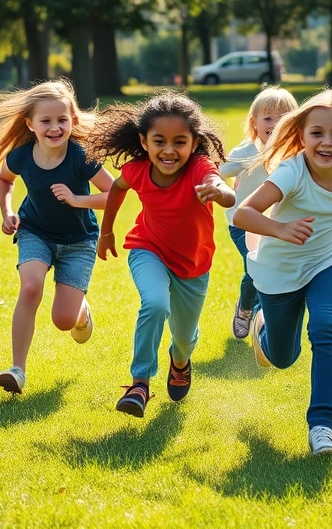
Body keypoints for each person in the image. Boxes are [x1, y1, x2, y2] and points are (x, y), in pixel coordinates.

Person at [233, 88, 332, 455]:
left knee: (325, 324)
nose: (326, 142)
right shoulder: (292, 172)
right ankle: (262, 326)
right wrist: (280, 229)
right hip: (281, 270)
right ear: (301, 135)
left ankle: (322, 426)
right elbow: (244, 214)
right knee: (283, 358)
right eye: (317, 133)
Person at [87, 91, 235, 418]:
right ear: (144, 141)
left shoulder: (200, 167)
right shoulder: (138, 170)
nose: (169, 150)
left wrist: (220, 191)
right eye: (159, 141)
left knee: (184, 338)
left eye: (179, 142)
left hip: (193, 265)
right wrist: (107, 231)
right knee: (154, 304)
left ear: (194, 142)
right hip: (147, 248)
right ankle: (139, 382)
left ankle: (180, 361)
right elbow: (117, 188)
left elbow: (225, 192)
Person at [0, 80, 114, 395]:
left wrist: (76, 199)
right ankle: (17, 370)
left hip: (79, 241)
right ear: (30, 124)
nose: (55, 127)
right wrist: (7, 212)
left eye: (62, 120)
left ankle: (80, 311)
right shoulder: (22, 156)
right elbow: (5, 180)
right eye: (46, 121)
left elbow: (113, 193)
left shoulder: (81, 157)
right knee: (30, 288)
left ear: (72, 120)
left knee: (63, 320)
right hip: (34, 230)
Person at [218, 86, 297, 339]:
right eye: (268, 118)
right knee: (256, 267)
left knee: (273, 269)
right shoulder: (245, 153)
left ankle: (264, 320)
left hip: (278, 223)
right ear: (254, 123)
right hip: (242, 222)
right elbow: (217, 173)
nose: (275, 124)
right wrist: (216, 186)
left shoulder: (296, 153)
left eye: (283, 118)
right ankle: (245, 309)